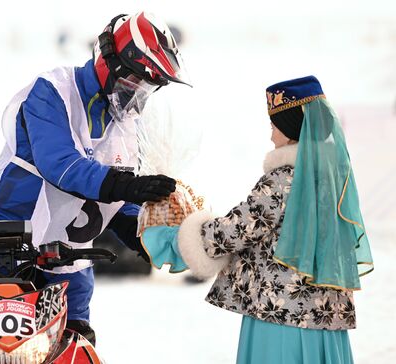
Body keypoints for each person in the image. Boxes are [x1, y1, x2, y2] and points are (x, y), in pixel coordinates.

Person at [0, 12, 190, 344]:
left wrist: (143, 236)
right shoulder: (54, 91)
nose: (137, 96)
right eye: (134, 82)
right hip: (4, 243)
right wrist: (128, 187)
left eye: (147, 88)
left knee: (73, 344)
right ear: (109, 62)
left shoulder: (128, 121)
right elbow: (59, 164)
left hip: (68, 258)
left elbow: (116, 199)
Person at [142, 76, 374, 363]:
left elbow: (238, 229)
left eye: (273, 125)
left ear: (289, 129)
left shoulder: (284, 179)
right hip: (323, 314)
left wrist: (181, 234)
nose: (270, 134)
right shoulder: (330, 178)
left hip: (281, 314)